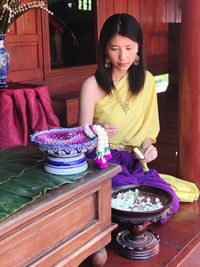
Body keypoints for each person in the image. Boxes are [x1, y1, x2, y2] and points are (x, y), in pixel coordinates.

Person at [78, 13, 179, 223]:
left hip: (135, 158)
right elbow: (81, 139)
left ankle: (130, 218)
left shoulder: (148, 81)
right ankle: (132, 219)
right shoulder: (91, 86)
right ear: (105, 50)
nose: (123, 57)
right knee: (126, 190)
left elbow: (148, 131)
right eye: (115, 49)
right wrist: (97, 130)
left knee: (169, 200)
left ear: (138, 47)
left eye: (129, 48)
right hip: (103, 159)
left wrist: (147, 147)